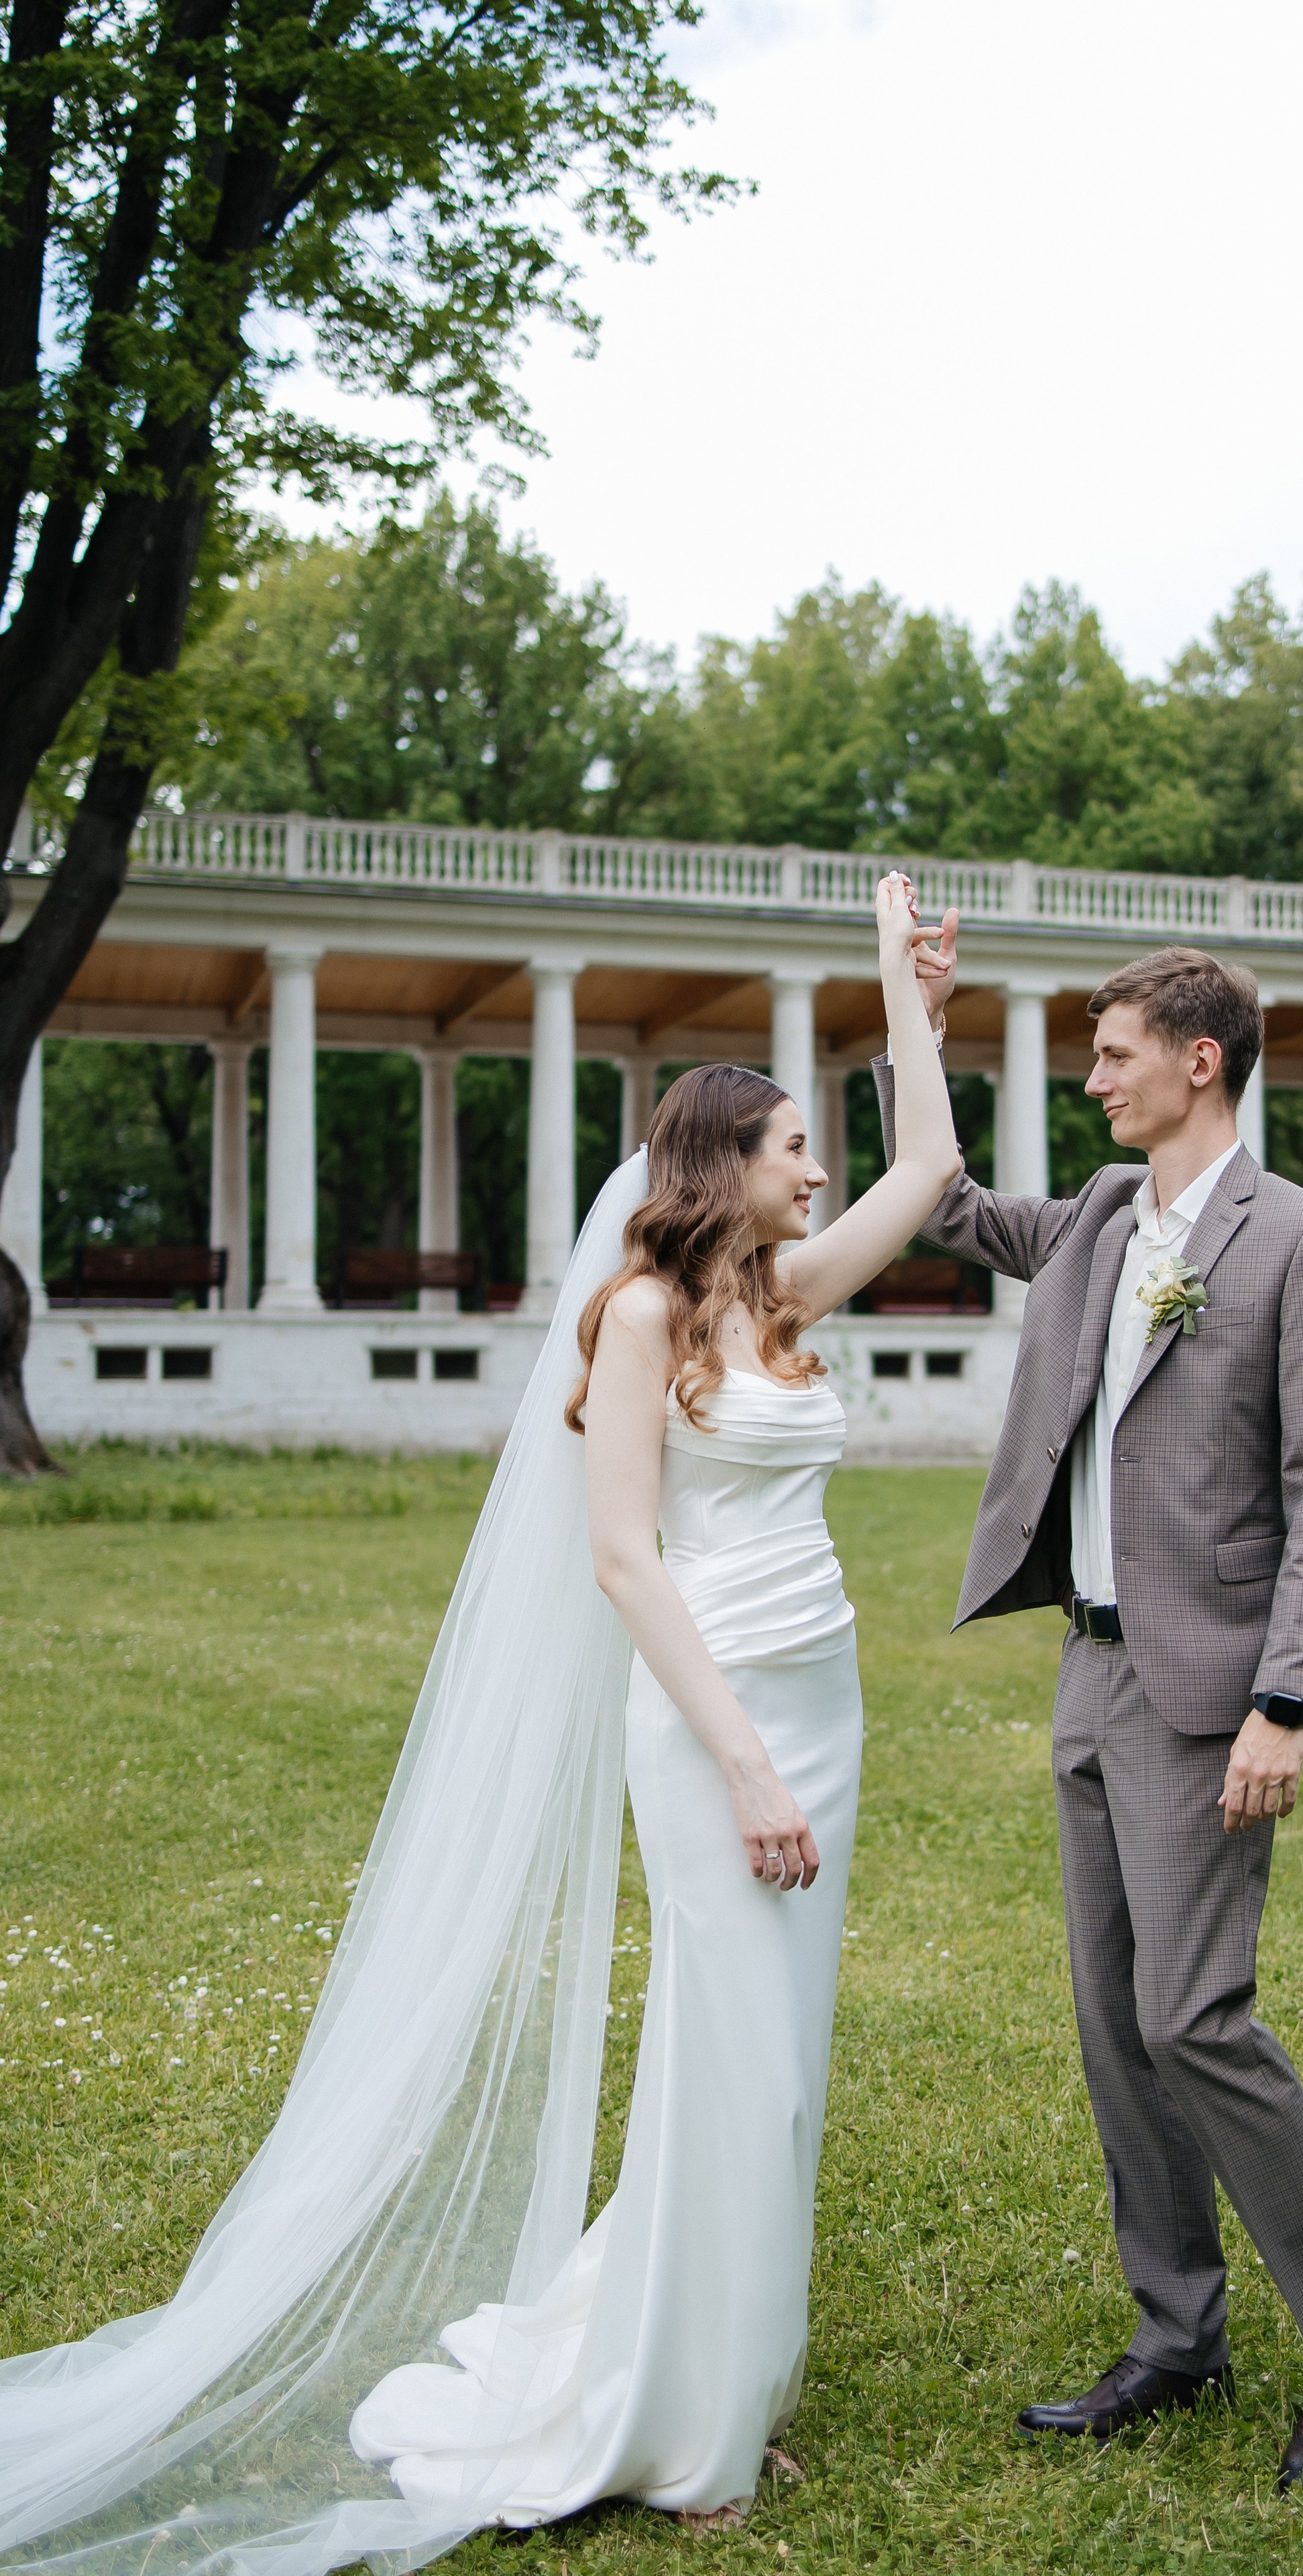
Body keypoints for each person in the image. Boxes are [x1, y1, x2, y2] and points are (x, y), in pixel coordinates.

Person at [0, 874, 959, 2571]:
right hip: (716, 1722)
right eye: (793, 1145)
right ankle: (684, 2431)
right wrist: (738, 1759)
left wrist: (905, 997)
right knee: (733, 2059)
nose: (816, 1170)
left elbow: (933, 1176)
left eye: (817, 1146)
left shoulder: (783, 1297)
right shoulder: (645, 1317)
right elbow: (619, 1559)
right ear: (718, 1161)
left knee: (780, 2072)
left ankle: (716, 2366)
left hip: (830, 1706)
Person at [874, 934, 1303, 2493]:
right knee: (1117, 2028)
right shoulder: (1106, 1216)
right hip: (1091, 1674)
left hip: (1212, 1687)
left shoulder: (1294, 1238)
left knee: (1195, 2017)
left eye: (1112, 1051)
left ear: (1198, 1059)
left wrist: (1285, 1701)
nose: (1090, 1075)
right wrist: (920, 1022)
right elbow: (949, 1200)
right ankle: (1176, 2332)